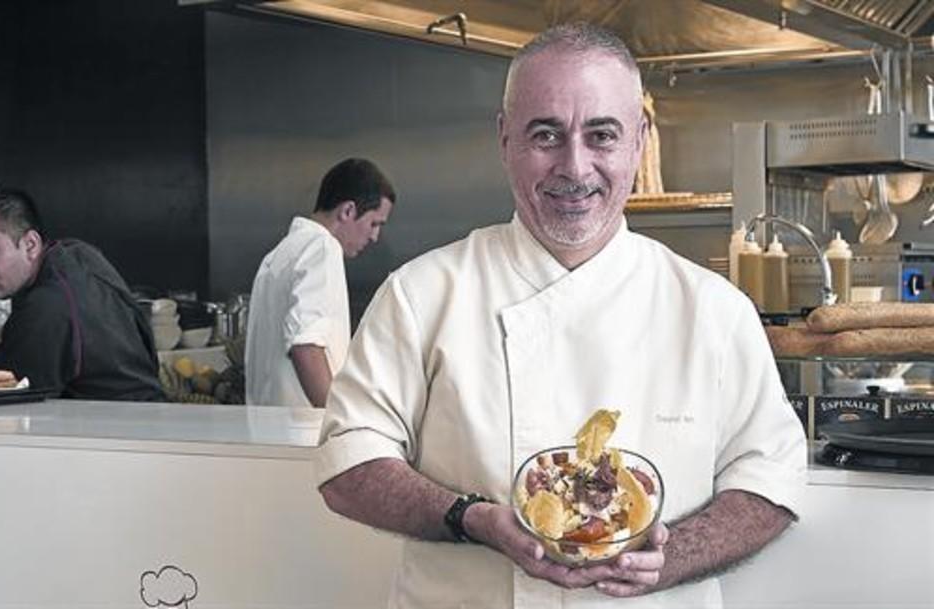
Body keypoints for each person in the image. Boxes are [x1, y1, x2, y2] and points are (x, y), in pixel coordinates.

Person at [314, 23, 806, 608]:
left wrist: (671, 557)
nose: (574, 167)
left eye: (602, 135)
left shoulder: (712, 309)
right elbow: (349, 462)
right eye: (545, 135)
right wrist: (468, 518)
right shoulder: (422, 294)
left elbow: (769, 479)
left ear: (639, 141)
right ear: (504, 139)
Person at [0, 183, 165, 402]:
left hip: (112, 429)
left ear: (30, 244)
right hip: (151, 413)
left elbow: (9, 405)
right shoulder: (75, 254)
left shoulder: (46, 306)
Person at [244, 158, 396, 408]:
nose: (375, 236)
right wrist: (339, 422)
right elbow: (306, 346)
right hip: (304, 433)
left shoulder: (278, 255)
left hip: (269, 431)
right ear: (348, 211)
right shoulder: (322, 247)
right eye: (374, 223)